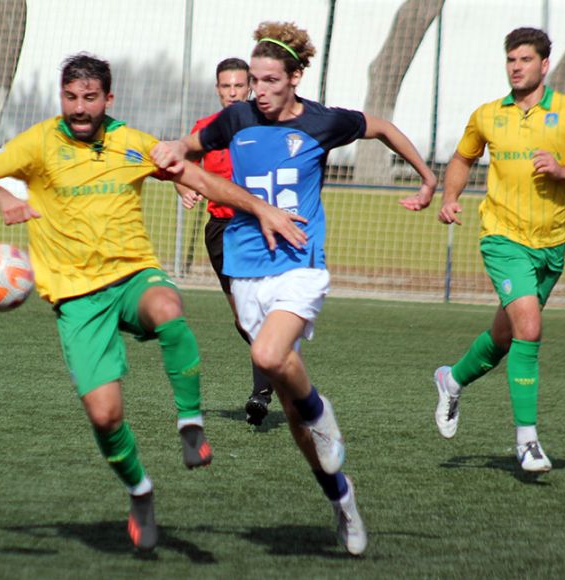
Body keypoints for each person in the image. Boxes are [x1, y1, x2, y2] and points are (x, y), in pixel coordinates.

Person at [0, 52, 307, 552]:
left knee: (168, 307)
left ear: (108, 99)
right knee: (105, 417)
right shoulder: (38, 142)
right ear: (63, 97)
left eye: (90, 98)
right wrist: (3, 197)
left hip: (131, 276)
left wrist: (260, 208)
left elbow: (199, 178)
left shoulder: (131, 143)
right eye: (71, 97)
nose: (79, 108)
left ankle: (190, 423)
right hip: (76, 298)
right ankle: (140, 491)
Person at [152, 22, 438, 556]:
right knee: (293, 413)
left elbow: (380, 127)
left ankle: (321, 412)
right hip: (245, 269)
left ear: (295, 78)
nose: (257, 90)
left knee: (266, 353)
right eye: (252, 80)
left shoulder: (322, 121)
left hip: (300, 265)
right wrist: (173, 153)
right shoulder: (235, 118)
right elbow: (189, 145)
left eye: (268, 80)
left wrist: (426, 177)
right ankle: (342, 500)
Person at [432, 27, 565, 473]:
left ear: (544, 65)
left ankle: (451, 379)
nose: (516, 67)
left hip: (551, 246)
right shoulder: (488, 115)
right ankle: (527, 441)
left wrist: (563, 172)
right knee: (529, 329)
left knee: (504, 337)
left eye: (525, 60)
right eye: (511, 59)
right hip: (502, 238)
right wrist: (450, 197)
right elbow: (462, 157)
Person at [174, 57, 275, 426]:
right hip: (221, 231)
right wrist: (182, 184)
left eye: (238, 86)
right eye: (225, 87)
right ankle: (274, 362)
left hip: (261, 226)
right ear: (217, 89)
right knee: (244, 316)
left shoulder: (266, 122)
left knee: (266, 309)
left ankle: (262, 391)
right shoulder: (207, 128)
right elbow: (178, 161)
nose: (232, 93)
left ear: (249, 86)